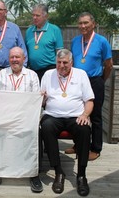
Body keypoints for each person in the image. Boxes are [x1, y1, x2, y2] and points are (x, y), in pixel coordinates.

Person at [41, 49, 94, 196]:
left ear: (71, 62)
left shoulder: (81, 74)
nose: (62, 65)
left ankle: (81, 175)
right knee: (45, 127)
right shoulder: (47, 74)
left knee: (84, 129)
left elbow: (89, 100)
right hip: (52, 115)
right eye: (59, 62)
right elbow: (42, 102)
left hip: (76, 116)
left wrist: (85, 114)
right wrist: (42, 98)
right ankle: (58, 172)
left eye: (65, 62)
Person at [0, 46, 42, 193]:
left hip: (25, 118)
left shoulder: (32, 76)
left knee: (34, 131)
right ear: (9, 59)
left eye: (17, 57)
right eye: (12, 57)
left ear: (24, 59)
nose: (14, 60)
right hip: (4, 117)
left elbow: (34, 101)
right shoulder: (0, 75)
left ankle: (34, 174)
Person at [68, 12, 113, 161]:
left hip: (94, 81)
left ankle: (96, 148)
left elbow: (109, 65)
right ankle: (78, 145)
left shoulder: (102, 41)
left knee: (95, 116)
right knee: (76, 113)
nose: (83, 26)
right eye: (80, 23)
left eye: (86, 23)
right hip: (77, 82)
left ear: (93, 24)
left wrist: (101, 80)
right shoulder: (75, 41)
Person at [25, 4, 64, 81]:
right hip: (32, 71)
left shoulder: (54, 30)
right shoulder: (29, 31)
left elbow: (59, 52)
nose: (34, 18)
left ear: (46, 16)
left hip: (49, 70)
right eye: (33, 15)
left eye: (37, 15)